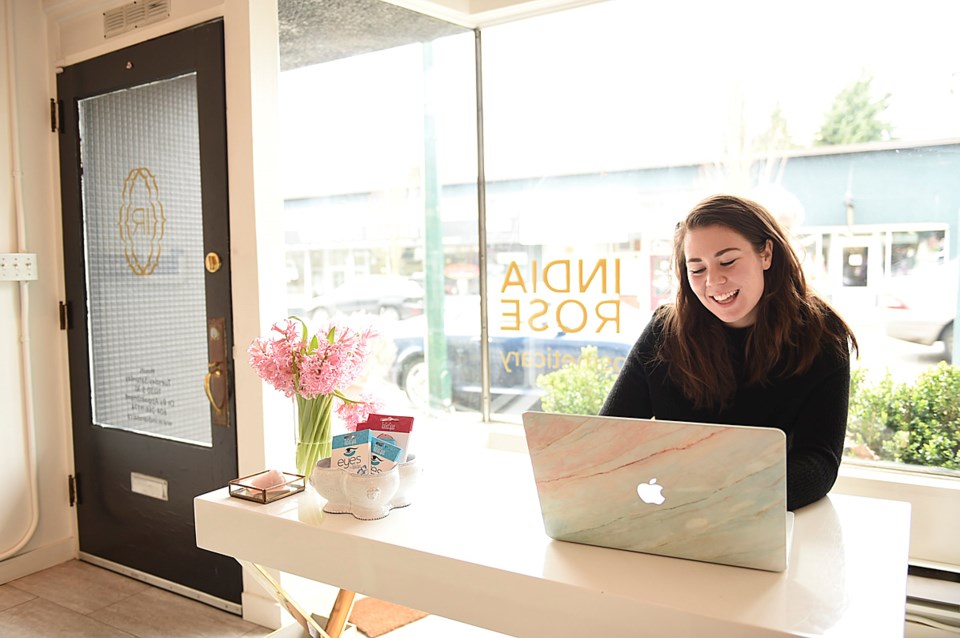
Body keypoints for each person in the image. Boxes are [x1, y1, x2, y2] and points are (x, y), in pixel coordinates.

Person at [600, 194, 858, 510]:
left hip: (759, 512)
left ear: (766, 254)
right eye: (696, 269)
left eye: (727, 261)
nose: (713, 281)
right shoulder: (664, 331)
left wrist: (731, 498)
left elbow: (819, 462)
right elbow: (611, 434)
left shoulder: (822, 335)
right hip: (672, 511)